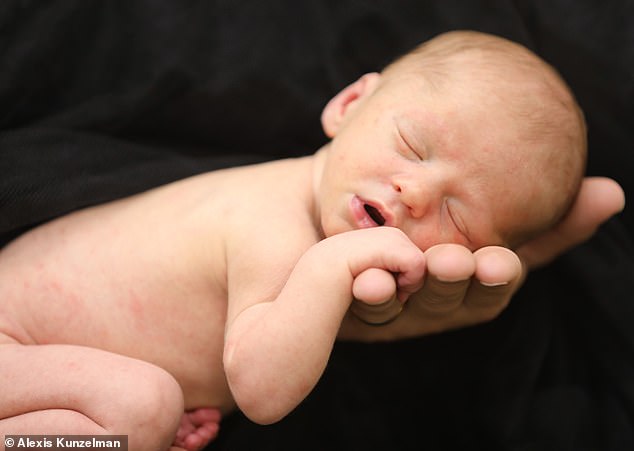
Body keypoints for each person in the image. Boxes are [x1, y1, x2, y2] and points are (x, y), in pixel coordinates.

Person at [0, 30, 624, 451]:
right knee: (142, 405)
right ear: (350, 103)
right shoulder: (271, 221)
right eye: (413, 146)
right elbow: (263, 394)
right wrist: (332, 265)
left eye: (458, 216)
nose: (416, 192)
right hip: (10, 340)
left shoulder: (301, 206)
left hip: (38, 365)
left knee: (143, 411)